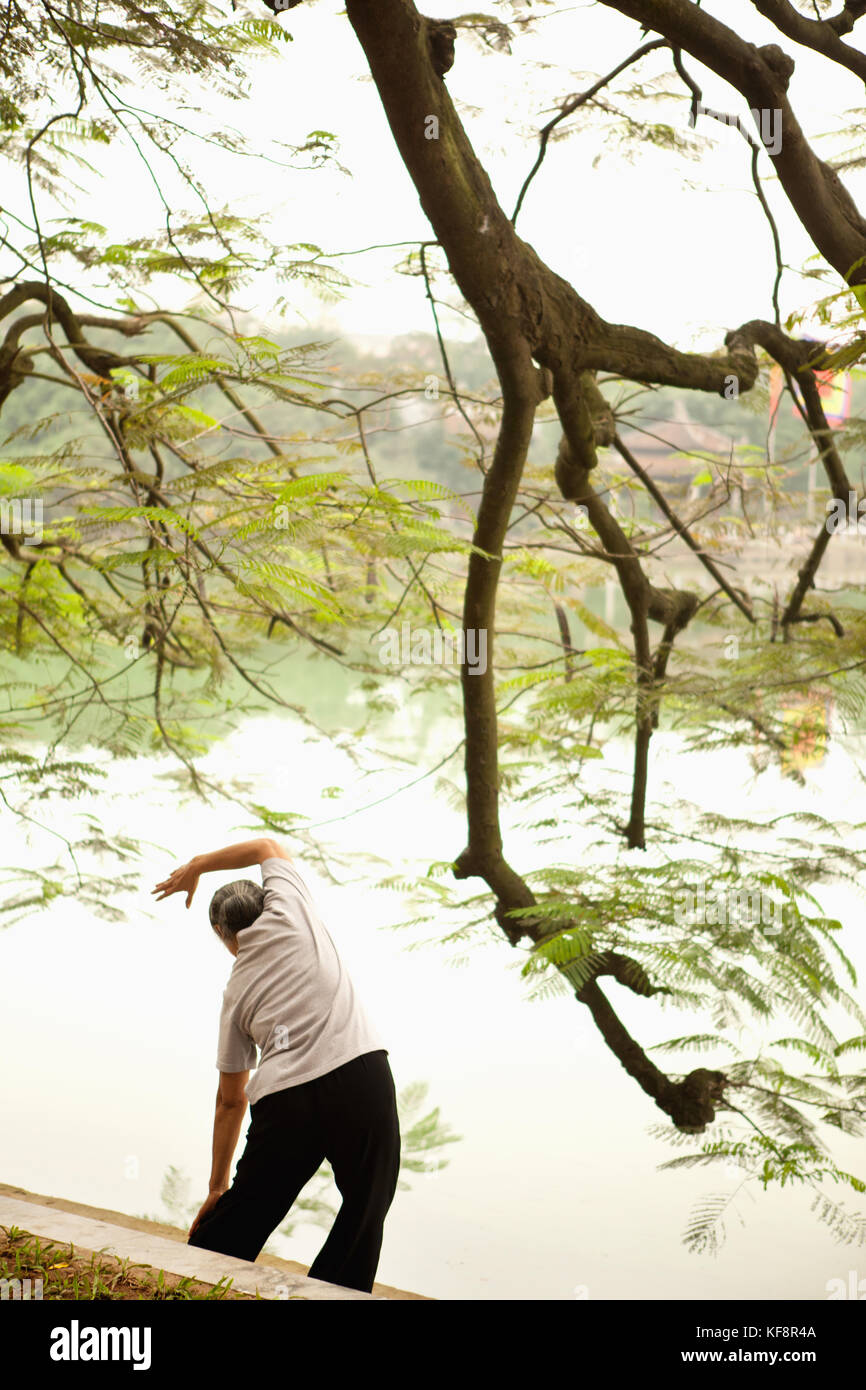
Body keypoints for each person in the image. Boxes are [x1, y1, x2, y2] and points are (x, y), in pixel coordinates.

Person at [152, 836, 401, 1294]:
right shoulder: (293, 908)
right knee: (367, 1203)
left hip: (286, 1102)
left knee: (251, 1205)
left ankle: (190, 1283)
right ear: (269, 901)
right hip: (358, 1074)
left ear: (224, 939)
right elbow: (266, 844)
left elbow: (230, 1100)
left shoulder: (236, 992)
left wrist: (216, 1187)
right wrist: (199, 866)